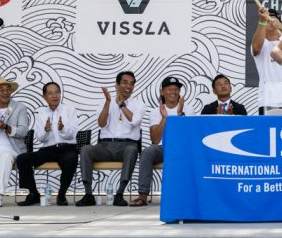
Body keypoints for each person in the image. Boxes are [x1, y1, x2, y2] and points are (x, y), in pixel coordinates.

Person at [76, 71, 147, 207]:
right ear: (117, 85)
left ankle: (119, 194)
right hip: (105, 147)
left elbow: (134, 121)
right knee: (86, 149)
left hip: (127, 146)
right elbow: (101, 124)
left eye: (132, 84)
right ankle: (88, 194)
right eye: (125, 82)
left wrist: (121, 105)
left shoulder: (139, 104)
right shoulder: (104, 102)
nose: (129, 86)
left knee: (132, 150)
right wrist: (108, 103)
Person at [130, 76, 196, 207]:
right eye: (169, 88)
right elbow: (155, 139)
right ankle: (143, 195)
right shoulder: (155, 111)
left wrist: (180, 114)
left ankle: (187, 195)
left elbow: (187, 137)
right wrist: (165, 117)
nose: (173, 91)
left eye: (176, 89)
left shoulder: (188, 109)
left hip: (182, 148)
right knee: (148, 152)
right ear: (162, 92)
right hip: (162, 148)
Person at [17, 82, 80, 206]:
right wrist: (46, 131)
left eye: (57, 92)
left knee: (71, 159)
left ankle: (61, 194)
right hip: (47, 150)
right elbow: (40, 138)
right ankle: (33, 193)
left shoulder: (69, 110)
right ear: (44, 97)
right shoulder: (41, 113)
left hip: (67, 148)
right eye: (50, 93)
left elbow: (73, 134)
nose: (55, 95)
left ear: (60, 94)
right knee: (22, 159)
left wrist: (62, 128)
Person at [0, 76, 30, 207]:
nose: (5, 93)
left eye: (7, 89)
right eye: (1, 90)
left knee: (5, 157)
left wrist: (6, 127)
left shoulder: (19, 107)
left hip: (11, 148)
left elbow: (23, 132)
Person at [252, 7, 282, 115]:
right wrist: (262, 20)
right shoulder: (263, 43)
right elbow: (256, 48)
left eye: (274, 19)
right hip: (268, 101)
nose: (271, 22)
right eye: (268, 20)